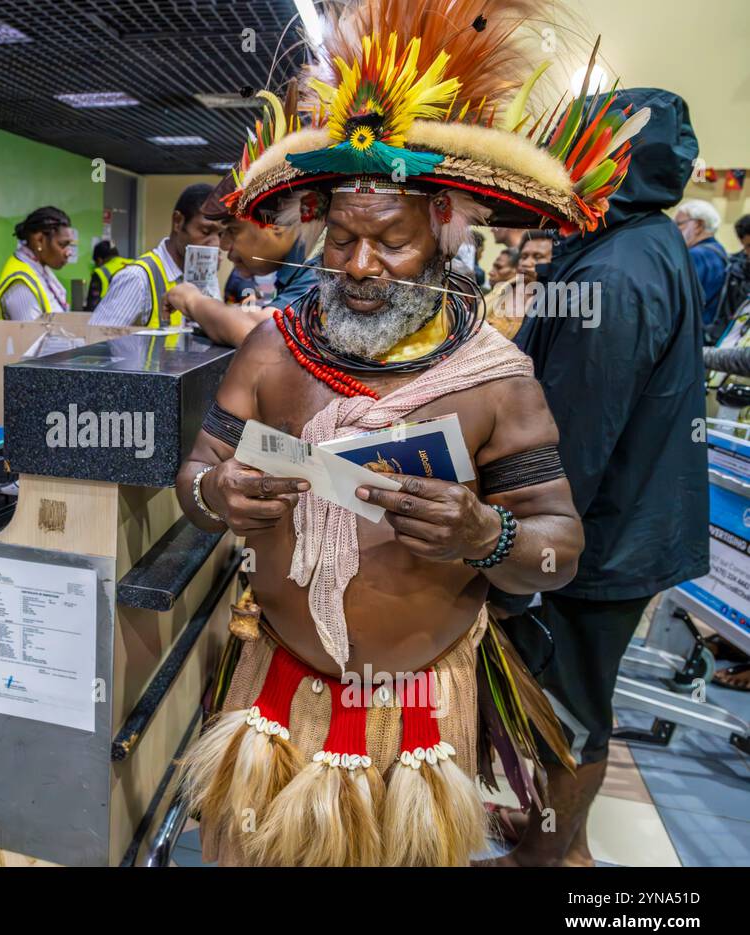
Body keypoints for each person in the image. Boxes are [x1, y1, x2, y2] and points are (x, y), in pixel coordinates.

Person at [173, 0, 645, 867]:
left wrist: (484, 534)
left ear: (441, 233)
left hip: (420, 708)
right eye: (342, 239)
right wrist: (218, 492)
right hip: (273, 684)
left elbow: (558, 549)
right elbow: (199, 472)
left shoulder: (495, 380)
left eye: (388, 241)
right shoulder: (274, 348)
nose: (359, 266)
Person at [494, 89, 709, 866]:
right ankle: (555, 838)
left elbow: (573, 441)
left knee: (570, 709)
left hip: (601, 538)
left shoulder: (615, 274)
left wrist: (520, 558)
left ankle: (553, 861)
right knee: (568, 702)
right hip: (621, 524)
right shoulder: (637, 242)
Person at [164, 195, 322, 349]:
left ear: (276, 223)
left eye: (232, 230)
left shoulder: (320, 267)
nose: (223, 245)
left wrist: (191, 299)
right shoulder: (304, 265)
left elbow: (260, 334)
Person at [89, 183, 223, 327]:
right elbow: (98, 342)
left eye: (221, 234)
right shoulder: (138, 278)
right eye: (205, 231)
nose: (215, 244)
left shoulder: (206, 279)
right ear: (177, 222)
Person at [0, 206, 73, 321]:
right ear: (39, 240)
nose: (69, 252)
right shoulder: (20, 283)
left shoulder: (41, 270)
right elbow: (31, 337)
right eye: (62, 244)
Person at [485, 230, 554, 340]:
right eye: (524, 256)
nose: (526, 263)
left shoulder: (554, 304)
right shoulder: (502, 290)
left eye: (537, 257)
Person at [674, 198, 729, 336]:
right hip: (709, 332)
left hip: (691, 333)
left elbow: (678, 301)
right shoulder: (720, 251)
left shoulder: (695, 256)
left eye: (679, 224)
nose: (674, 230)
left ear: (698, 225)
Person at [84, 240, 130, 310]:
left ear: (99, 260)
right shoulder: (134, 264)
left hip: (110, 318)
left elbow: (92, 306)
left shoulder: (100, 272)